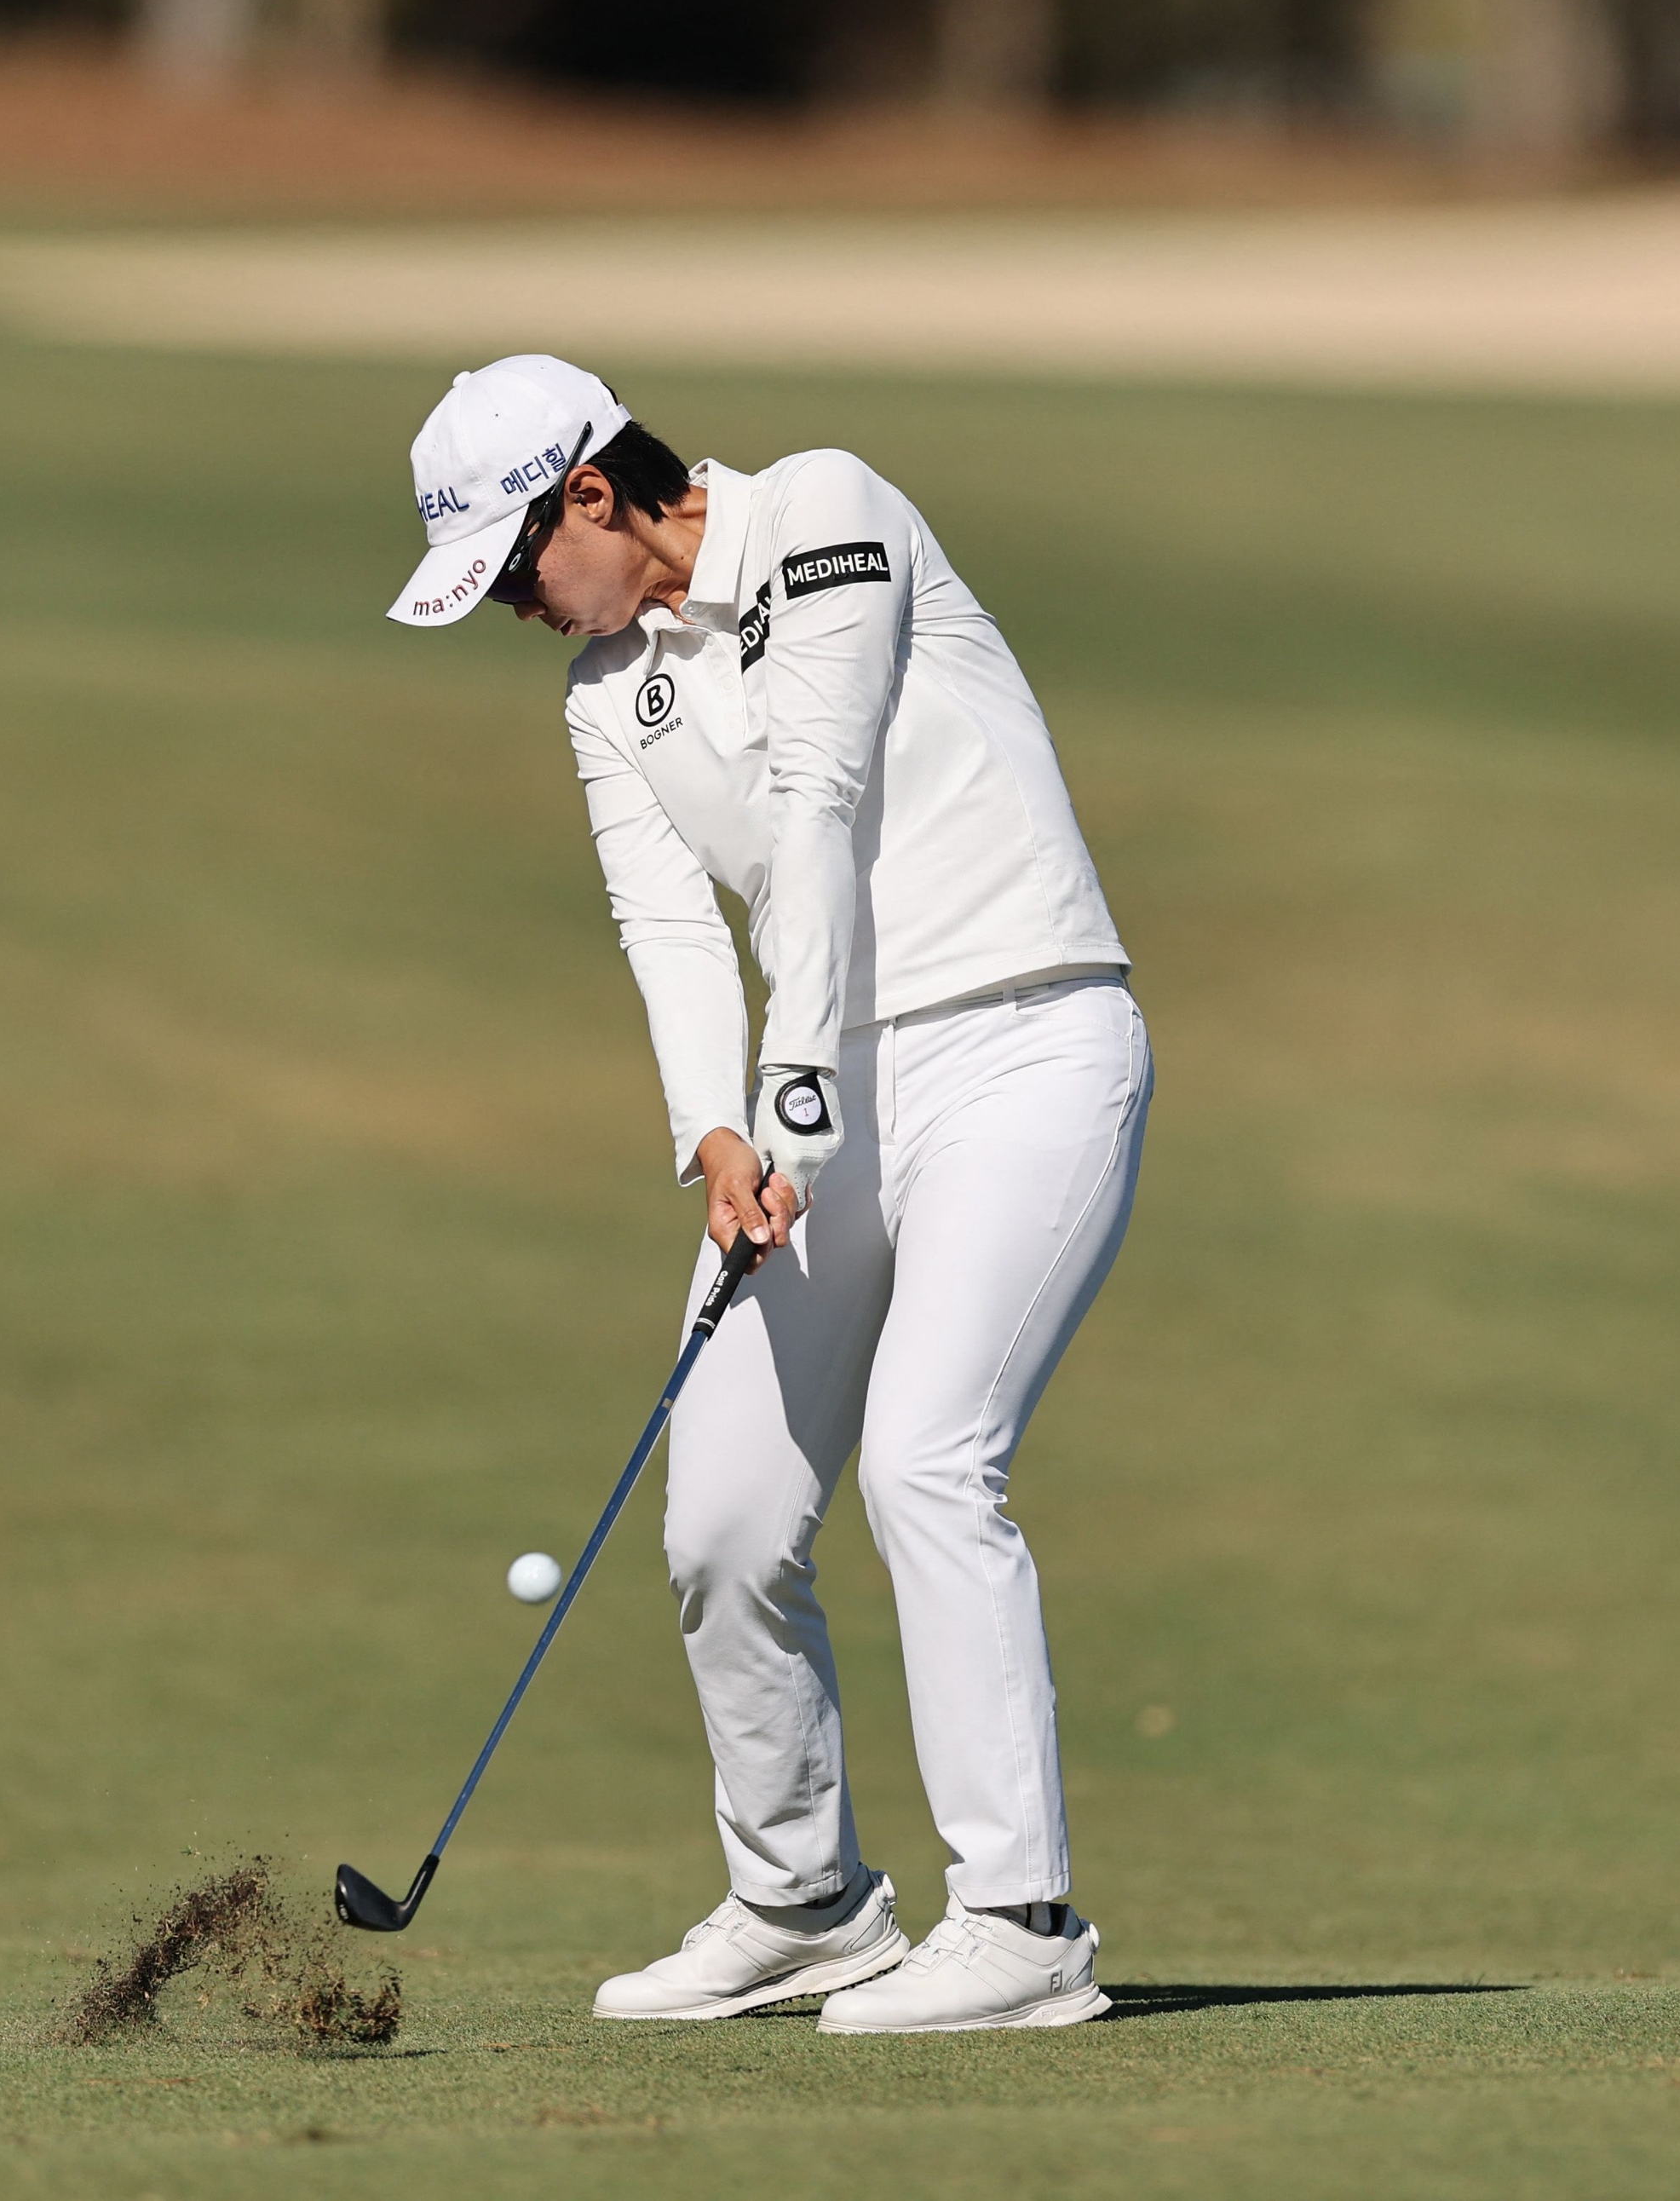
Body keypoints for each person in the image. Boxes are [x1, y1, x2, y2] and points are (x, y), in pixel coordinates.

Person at [385, 354, 1150, 2034]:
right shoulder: (606, 698)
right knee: (720, 1516)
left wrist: (787, 1076)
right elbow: (666, 928)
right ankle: (804, 1903)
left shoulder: (826, 509)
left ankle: (1019, 1925)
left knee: (929, 1456)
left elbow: (818, 792)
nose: (522, 607)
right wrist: (715, 1134)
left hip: (1022, 1042)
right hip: (822, 1103)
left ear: (590, 493)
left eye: (516, 567)